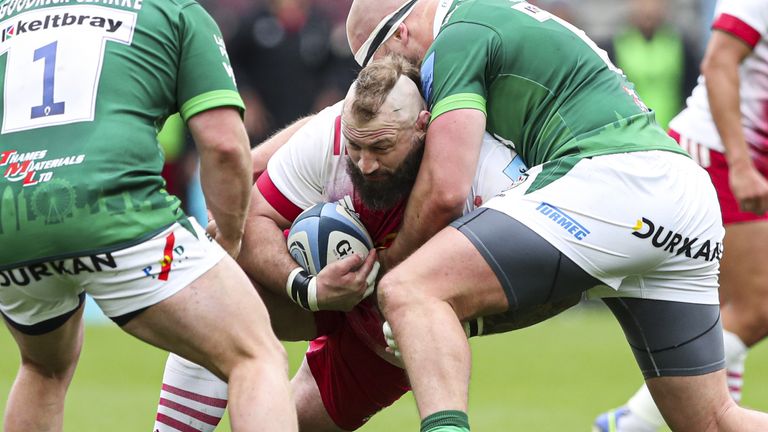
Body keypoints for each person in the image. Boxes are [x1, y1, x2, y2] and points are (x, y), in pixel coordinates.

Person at [345, 1, 768, 431]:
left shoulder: (457, 35)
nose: (391, 84)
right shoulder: (498, 15)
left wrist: (385, 268)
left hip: (613, 181)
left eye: (376, 63)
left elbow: (446, 191)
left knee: (409, 289)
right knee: (713, 420)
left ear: (398, 35)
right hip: (684, 194)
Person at [153, 54, 570, 431]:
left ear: (422, 127)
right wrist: (309, 287)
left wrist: (466, 318)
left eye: (381, 147)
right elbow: (251, 220)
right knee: (214, 295)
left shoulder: (487, 173)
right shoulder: (329, 137)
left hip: (387, 339)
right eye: (355, 146)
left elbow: (558, 274)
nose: (365, 163)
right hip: (321, 296)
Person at [0, 0, 297, 431]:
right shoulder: (175, 10)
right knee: (256, 355)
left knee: (42, 368)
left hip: (12, 221)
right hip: (116, 212)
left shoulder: (10, 13)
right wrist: (231, 238)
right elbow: (225, 145)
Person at [594, 0, 768, 430]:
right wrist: (743, 167)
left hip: (748, 158)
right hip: (723, 154)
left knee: (747, 308)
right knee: (752, 307)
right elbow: (718, 61)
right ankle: (657, 421)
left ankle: (636, 422)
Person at [601, 0, 698, 130]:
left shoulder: (681, 45)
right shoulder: (614, 46)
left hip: (671, 133)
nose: (648, 9)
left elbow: (691, 91)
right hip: (632, 134)